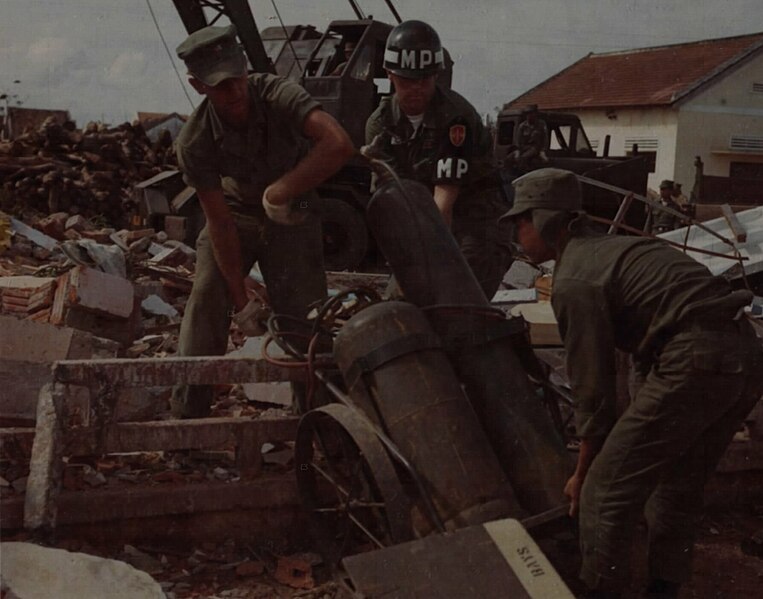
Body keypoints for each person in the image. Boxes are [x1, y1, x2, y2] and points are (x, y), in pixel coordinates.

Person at [500, 168, 763, 598]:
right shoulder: (613, 249)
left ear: (546, 219)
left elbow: (592, 389)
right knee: (678, 484)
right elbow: (637, 363)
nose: (517, 231)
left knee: (605, 493)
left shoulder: (574, 279)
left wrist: (584, 471)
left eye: (521, 220)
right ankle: (662, 590)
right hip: (744, 353)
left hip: (695, 356)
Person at [172, 24, 354, 418]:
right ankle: (189, 416)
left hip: (296, 207)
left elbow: (338, 143)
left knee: (305, 316)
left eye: (237, 79)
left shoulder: (278, 93)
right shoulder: (194, 141)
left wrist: (281, 190)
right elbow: (220, 223)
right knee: (206, 297)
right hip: (236, 213)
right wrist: (240, 299)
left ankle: (318, 421)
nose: (234, 91)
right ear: (197, 85)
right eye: (220, 86)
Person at [365, 19, 513, 300]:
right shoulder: (380, 124)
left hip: (476, 209)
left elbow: (445, 196)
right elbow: (394, 197)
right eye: (407, 79)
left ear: (436, 76)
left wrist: (429, 254)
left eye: (425, 79)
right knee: (401, 301)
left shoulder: (457, 116)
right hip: (427, 209)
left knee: (462, 294)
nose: (417, 88)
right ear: (389, 74)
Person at [513, 104, 549, 172]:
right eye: (527, 114)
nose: (529, 116)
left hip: (535, 147)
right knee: (510, 158)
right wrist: (517, 150)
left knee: (524, 157)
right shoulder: (522, 126)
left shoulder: (541, 124)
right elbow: (518, 139)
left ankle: (523, 174)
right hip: (524, 147)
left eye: (531, 113)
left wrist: (543, 151)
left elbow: (545, 139)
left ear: (535, 114)